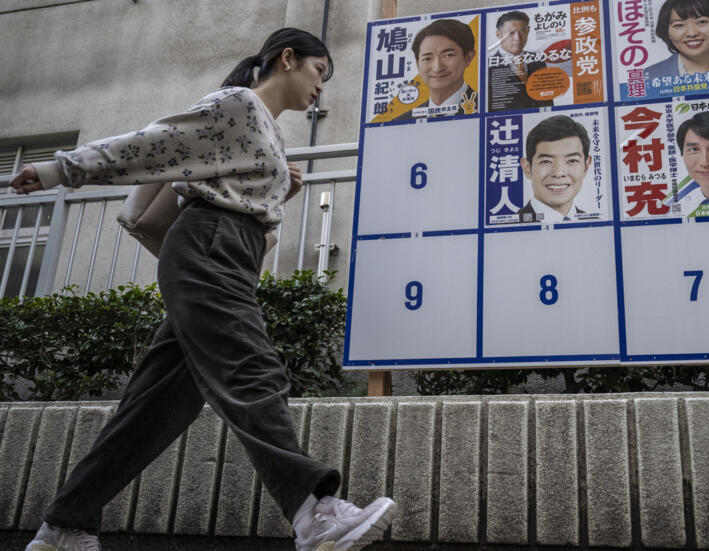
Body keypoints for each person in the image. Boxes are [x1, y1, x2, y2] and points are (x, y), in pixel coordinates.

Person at [12, 28, 395, 551]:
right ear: (288, 58)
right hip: (208, 246)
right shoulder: (237, 103)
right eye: (319, 72)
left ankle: (64, 528)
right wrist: (60, 168)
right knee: (251, 368)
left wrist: (280, 180)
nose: (320, 88)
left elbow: (245, 198)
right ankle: (314, 512)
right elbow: (154, 144)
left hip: (227, 255)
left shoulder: (268, 131)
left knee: (155, 409)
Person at [395, 19, 477, 120]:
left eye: (448, 55)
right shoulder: (402, 122)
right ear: (417, 64)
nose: (437, 68)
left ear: (468, 58)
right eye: (427, 58)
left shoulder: (491, 109)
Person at [642, 0, 709, 85]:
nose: (692, 33)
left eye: (702, 22)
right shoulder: (649, 76)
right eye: (679, 25)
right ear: (667, 31)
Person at [517, 115, 593, 223]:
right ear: (527, 168)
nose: (558, 173)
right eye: (546, 161)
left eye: (572, 161)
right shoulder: (504, 231)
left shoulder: (596, 224)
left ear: (586, 166)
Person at [487, 11, 553, 111]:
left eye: (523, 31)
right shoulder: (487, 66)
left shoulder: (537, 59)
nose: (518, 38)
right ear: (498, 34)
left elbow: (547, 98)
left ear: (528, 30)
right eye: (511, 33)